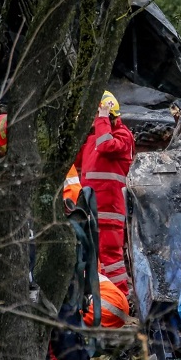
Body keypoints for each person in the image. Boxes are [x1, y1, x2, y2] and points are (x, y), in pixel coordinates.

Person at [74, 91, 134, 294]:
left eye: (97, 114)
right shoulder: (93, 140)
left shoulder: (123, 136)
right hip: (90, 210)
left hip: (109, 211)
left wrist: (102, 117)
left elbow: (107, 145)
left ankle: (121, 298)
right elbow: (75, 160)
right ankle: (103, 300)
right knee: (92, 257)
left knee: (111, 257)